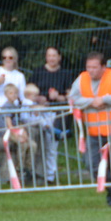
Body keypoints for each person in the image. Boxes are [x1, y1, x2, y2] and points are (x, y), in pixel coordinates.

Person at [69, 50, 111, 207]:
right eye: (88, 67)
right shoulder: (82, 79)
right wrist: (92, 102)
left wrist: (105, 99)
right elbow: (73, 99)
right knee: (93, 166)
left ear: (103, 67)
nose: (90, 70)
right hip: (93, 133)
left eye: (94, 67)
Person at [31, 46, 73, 184]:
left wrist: (58, 97)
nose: (51, 58)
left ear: (59, 57)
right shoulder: (37, 72)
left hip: (55, 114)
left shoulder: (66, 74)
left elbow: (70, 96)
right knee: (35, 143)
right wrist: (38, 99)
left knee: (51, 146)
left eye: (54, 55)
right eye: (49, 55)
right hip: (37, 113)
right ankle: (33, 173)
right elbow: (28, 92)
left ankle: (50, 176)